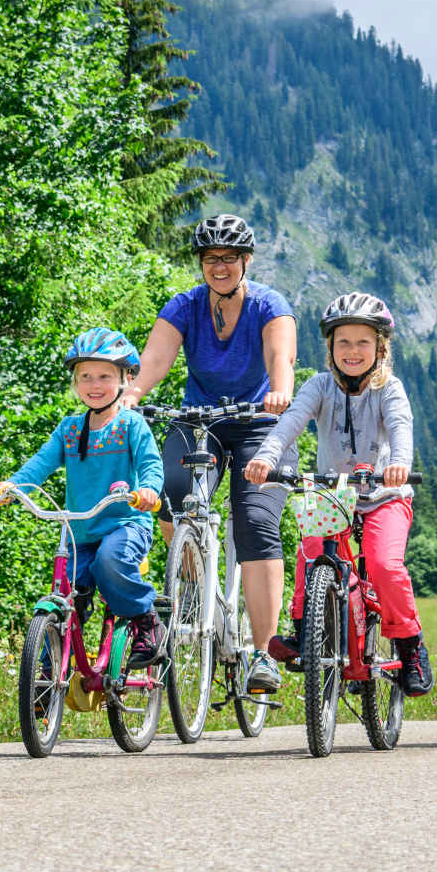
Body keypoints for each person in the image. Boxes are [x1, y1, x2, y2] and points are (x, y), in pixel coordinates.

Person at [118, 214, 297, 694]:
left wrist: (280, 392)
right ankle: (194, 587)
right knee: (170, 494)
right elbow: (156, 359)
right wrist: (133, 393)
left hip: (261, 423)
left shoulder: (269, 305)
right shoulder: (184, 306)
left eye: (229, 258)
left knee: (257, 522)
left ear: (246, 261)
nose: (219, 266)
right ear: (201, 263)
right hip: (202, 422)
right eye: (210, 258)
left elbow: (281, 358)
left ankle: (263, 653)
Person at [243, 292, 433, 696]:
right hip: (333, 492)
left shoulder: (390, 389)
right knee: (311, 549)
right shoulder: (320, 386)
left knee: (384, 566)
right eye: (343, 341)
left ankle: (410, 643)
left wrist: (399, 462)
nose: (352, 351)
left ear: (380, 348)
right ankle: (303, 630)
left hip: (385, 494)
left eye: (363, 342)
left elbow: (401, 427)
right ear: (330, 347)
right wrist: (265, 456)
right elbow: (290, 421)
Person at [0, 328, 167, 664]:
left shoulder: (132, 425)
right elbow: (39, 465)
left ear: (125, 379)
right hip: (80, 533)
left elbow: (151, 465)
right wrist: (14, 486)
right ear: (75, 382)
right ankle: (45, 678)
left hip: (125, 525)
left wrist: (147, 490)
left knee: (109, 562)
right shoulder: (69, 429)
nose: (94, 384)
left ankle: (145, 620)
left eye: (104, 376)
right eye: (85, 376)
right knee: (64, 596)